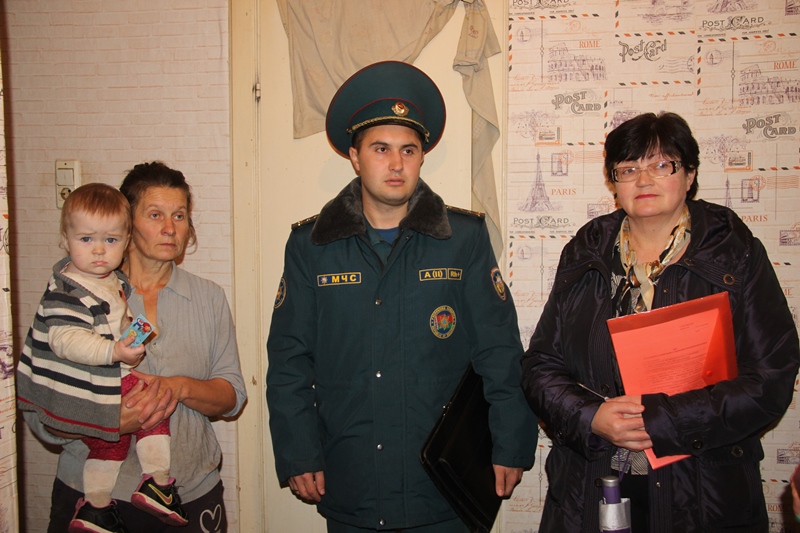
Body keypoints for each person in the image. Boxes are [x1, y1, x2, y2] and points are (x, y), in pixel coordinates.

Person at [266, 60, 538, 532]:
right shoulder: (312, 247)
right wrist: (297, 451)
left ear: (421, 157)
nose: (396, 164)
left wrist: (511, 443)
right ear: (355, 157)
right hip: (350, 480)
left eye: (408, 150)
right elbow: (289, 360)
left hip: (442, 484)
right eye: (381, 149)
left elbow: (499, 349)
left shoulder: (463, 239)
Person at [520, 111, 800, 532]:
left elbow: (771, 378)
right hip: (592, 482)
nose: (644, 179)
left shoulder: (736, 252)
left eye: (662, 165)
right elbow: (541, 366)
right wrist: (591, 417)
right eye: (628, 169)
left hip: (703, 491)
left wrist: (665, 420)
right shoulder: (585, 251)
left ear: (689, 175)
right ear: (614, 182)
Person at [22, 162, 247, 533]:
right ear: (127, 225)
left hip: (189, 494)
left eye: (179, 215)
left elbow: (232, 396)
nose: (170, 228)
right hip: (91, 502)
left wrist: (178, 388)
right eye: (155, 215)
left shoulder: (208, 297)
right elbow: (37, 407)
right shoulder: (73, 295)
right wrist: (105, 421)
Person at [16, 183, 188, 532]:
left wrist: (130, 344)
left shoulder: (111, 282)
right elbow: (66, 341)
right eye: (86, 239)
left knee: (111, 446)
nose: (98, 250)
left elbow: (115, 326)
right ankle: (158, 482)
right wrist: (114, 351)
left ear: (125, 243)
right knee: (153, 408)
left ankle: (95, 508)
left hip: (100, 379)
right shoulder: (67, 291)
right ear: (65, 240)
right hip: (81, 388)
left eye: (110, 240)